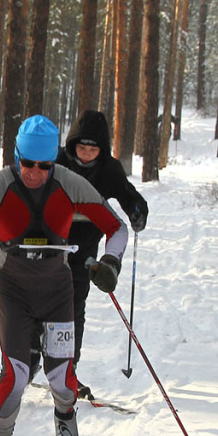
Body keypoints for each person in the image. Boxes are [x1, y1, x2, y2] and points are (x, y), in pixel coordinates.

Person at [0, 115, 128, 436]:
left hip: (58, 288)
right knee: (17, 373)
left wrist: (111, 262)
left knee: (61, 375)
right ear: (17, 156)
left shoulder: (69, 183)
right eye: (28, 163)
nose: (36, 173)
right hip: (11, 286)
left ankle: (64, 419)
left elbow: (116, 227)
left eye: (45, 165)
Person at [29, 110, 149, 400]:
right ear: (71, 145)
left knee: (72, 311)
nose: (85, 153)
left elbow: (128, 196)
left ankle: (67, 371)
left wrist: (137, 210)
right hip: (48, 246)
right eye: (80, 147)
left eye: (92, 148)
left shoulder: (109, 169)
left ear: (102, 148)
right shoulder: (55, 161)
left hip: (84, 250)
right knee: (35, 307)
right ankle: (29, 361)